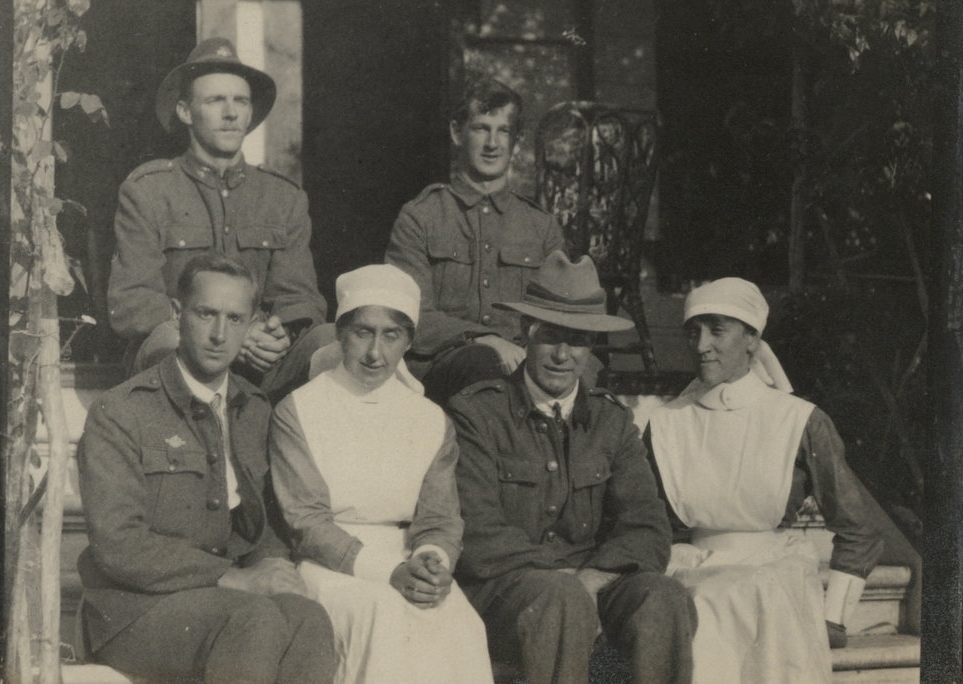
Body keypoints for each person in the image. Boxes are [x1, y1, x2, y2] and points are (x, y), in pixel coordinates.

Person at [77, 254, 335, 683]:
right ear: (178, 314)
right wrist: (231, 578)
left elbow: (262, 524)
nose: (219, 334)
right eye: (206, 314)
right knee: (255, 619)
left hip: (221, 600)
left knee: (309, 619)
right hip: (134, 609)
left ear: (252, 324)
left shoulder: (253, 407)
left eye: (235, 319)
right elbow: (117, 545)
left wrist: (275, 570)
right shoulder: (121, 411)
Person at [447, 251, 696, 684]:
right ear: (526, 332)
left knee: (663, 596)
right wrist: (563, 582)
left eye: (578, 339)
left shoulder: (612, 421)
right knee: (559, 598)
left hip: (590, 585)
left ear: (592, 346)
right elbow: (476, 531)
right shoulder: (478, 414)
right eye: (551, 336)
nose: (563, 355)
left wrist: (592, 580)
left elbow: (648, 527)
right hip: (506, 593)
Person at [645, 277, 887, 684]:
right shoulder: (666, 425)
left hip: (770, 580)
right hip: (689, 573)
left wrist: (834, 617)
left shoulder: (799, 421)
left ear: (752, 338)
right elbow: (649, 522)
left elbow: (860, 527)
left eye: (717, 330)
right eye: (694, 331)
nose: (702, 344)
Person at [269, 264, 494, 684]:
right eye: (362, 332)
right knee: (383, 617)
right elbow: (307, 522)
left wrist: (432, 563)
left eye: (391, 335)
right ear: (341, 333)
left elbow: (441, 519)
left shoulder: (430, 419)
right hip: (330, 567)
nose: (376, 353)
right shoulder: (299, 410)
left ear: (408, 340)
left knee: (463, 624)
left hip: (409, 561)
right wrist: (385, 571)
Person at [107, 36, 328, 391]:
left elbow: (299, 297)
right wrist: (228, 334)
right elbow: (132, 303)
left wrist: (281, 331)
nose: (231, 113)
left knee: (329, 345)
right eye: (215, 100)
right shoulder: (148, 191)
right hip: (181, 350)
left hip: (262, 361)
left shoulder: (282, 196)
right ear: (184, 112)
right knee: (166, 340)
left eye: (240, 101)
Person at [385, 78, 567, 405]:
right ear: (457, 132)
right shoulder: (420, 217)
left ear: (517, 141)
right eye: (482, 128)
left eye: (503, 131)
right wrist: (485, 339)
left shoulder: (541, 226)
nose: (492, 143)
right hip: (442, 367)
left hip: (526, 363)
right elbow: (408, 314)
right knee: (483, 363)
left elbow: (559, 316)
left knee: (591, 372)